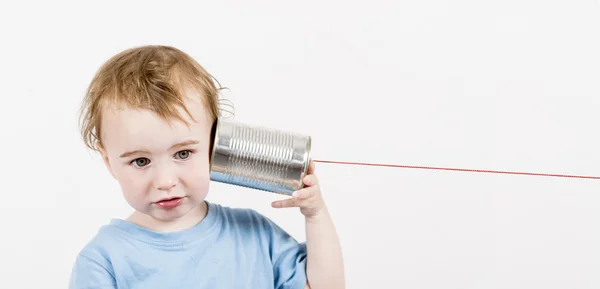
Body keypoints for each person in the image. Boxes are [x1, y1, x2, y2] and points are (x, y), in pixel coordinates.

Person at [68, 45, 345, 289]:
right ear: (110, 164)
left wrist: (316, 216)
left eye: (184, 153)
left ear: (215, 145)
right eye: (141, 161)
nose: (165, 181)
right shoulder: (103, 261)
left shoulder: (254, 234)